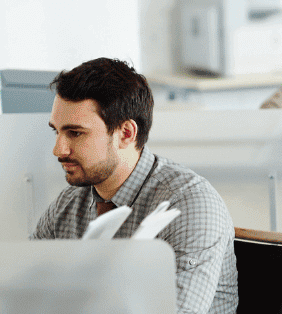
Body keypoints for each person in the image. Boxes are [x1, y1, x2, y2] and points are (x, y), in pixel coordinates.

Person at [32, 57, 237, 314]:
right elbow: (23, 296)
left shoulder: (191, 205)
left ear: (126, 134)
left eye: (75, 133)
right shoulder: (68, 205)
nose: (58, 150)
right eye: (56, 132)